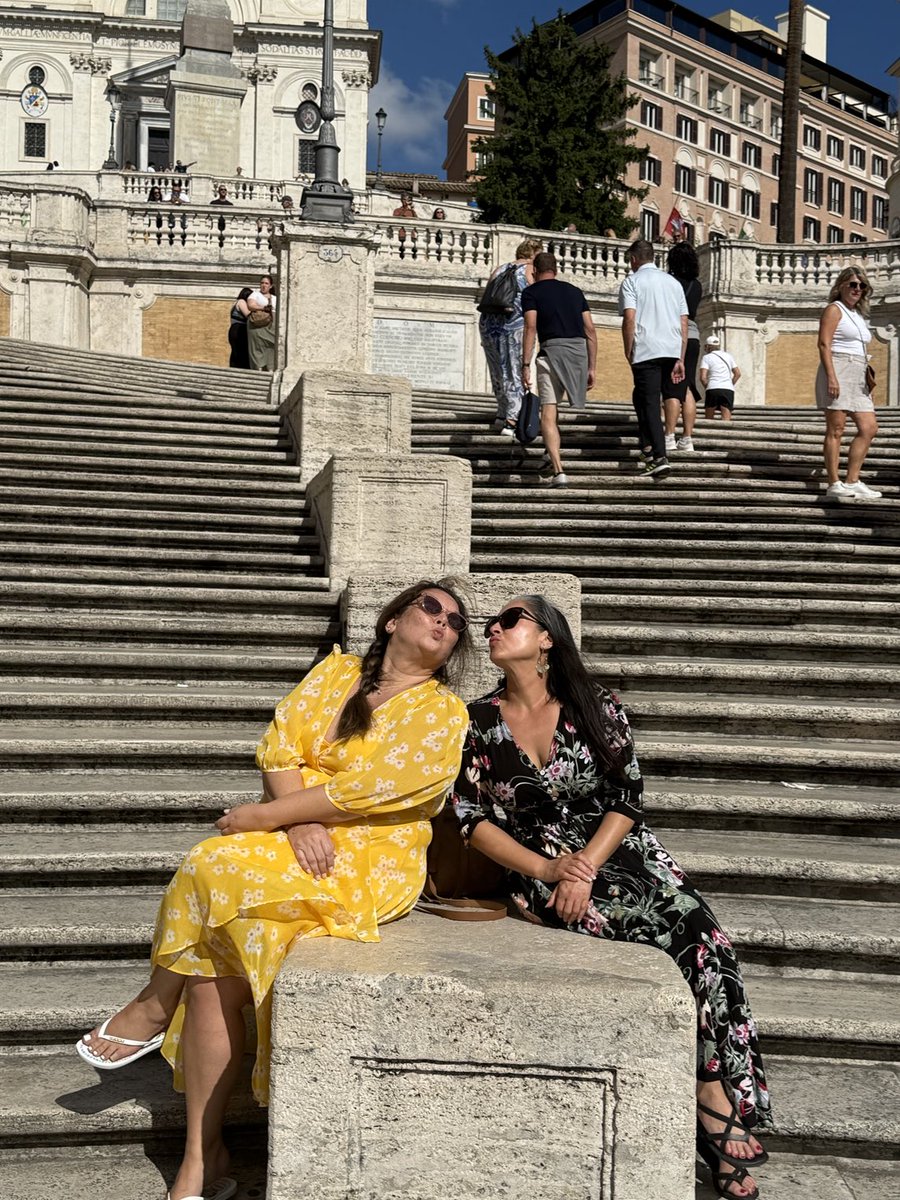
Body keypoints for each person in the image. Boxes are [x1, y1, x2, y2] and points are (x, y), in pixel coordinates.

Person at [75, 581, 472, 1200]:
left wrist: (266, 818)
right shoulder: (336, 672)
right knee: (214, 971)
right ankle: (199, 1164)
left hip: (375, 854)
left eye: (456, 622)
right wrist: (296, 818)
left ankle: (155, 1005)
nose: (443, 622)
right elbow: (279, 746)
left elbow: (383, 790)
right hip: (295, 833)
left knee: (215, 859)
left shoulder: (442, 710)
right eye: (431, 607)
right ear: (393, 620)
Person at [450, 595, 773, 1200]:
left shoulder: (597, 706)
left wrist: (584, 869)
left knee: (709, 945)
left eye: (510, 619)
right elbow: (471, 819)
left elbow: (628, 797)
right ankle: (716, 1116)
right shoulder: (474, 721)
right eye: (490, 623)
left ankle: (713, 1090)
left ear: (548, 638)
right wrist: (550, 870)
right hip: (540, 866)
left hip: (620, 854)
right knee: (652, 946)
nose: (492, 628)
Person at [521, 251, 597, 488]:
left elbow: (531, 327)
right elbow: (590, 330)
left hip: (551, 353)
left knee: (548, 412)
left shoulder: (531, 292)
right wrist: (592, 366)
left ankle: (559, 471)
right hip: (577, 354)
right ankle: (549, 452)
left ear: (534, 272)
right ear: (556, 269)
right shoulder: (575, 291)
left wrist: (525, 364)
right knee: (554, 411)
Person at [619, 239, 688, 477]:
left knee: (649, 403)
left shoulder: (632, 282)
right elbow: (683, 322)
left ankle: (659, 456)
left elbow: (629, 318)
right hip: (671, 348)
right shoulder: (673, 283)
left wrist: (628, 349)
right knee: (641, 395)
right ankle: (647, 446)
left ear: (634, 259)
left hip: (646, 348)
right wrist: (680, 357)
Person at [815, 267, 881, 502]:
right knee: (836, 429)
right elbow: (824, 344)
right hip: (839, 367)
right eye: (853, 284)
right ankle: (834, 483)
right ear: (841, 285)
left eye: (861, 286)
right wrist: (832, 377)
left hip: (858, 371)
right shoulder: (834, 309)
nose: (857, 289)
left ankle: (853, 479)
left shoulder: (859, 315)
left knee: (869, 427)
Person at [479, 238, 543, 439]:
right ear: (533, 254)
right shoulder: (530, 270)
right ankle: (512, 419)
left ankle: (501, 412)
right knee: (514, 370)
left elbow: (488, 294)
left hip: (489, 325)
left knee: (497, 370)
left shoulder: (500, 269)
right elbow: (536, 297)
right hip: (513, 325)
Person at [663, 242, 702, 453]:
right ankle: (687, 437)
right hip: (694, 335)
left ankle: (669, 435)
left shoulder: (669, 282)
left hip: (673, 336)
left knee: (672, 386)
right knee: (687, 387)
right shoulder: (697, 285)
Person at [700, 335, 741, 422]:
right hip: (727, 389)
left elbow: (703, 377)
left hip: (713, 388)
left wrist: (707, 387)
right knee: (726, 420)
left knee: (709, 420)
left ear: (708, 346)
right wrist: (730, 384)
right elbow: (737, 374)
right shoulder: (728, 356)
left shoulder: (706, 357)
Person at [246, 274, 276, 372]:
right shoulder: (255, 294)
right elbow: (251, 305)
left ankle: (270, 368)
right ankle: (258, 369)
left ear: (271, 286)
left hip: (272, 325)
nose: (264, 285)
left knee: (272, 345)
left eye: (266, 283)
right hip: (257, 325)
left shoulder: (275, 298)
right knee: (257, 347)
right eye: (262, 283)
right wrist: (263, 308)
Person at [228, 287, 253, 370]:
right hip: (239, 329)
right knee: (241, 350)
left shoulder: (235, 303)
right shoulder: (242, 302)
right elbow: (248, 314)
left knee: (236, 350)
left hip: (234, 329)